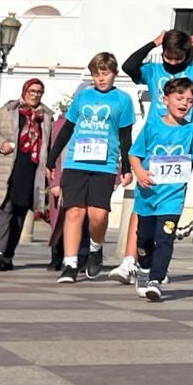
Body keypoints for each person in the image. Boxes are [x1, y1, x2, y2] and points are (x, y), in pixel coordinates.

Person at [108, 29, 193, 286]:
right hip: (154, 141)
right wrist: (154, 43)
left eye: (178, 57)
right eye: (168, 56)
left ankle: (155, 274)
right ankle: (133, 259)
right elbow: (130, 65)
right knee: (145, 208)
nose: (172, 62)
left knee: (167, 215)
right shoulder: (153, 70)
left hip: (184, 142)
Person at [47, 53, 135, 283]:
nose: (101, 79)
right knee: (74, 212)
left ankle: (96, 247)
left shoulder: (123, 100)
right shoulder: (83, 97)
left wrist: (127, 167)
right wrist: (51, 159)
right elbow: (67, 129)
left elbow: (126, 136)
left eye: (105, 74)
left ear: (114, 74)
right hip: (76, 161)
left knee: (98, 215)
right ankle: (70, 263)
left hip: (105, 165)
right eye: (96, 74)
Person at [127, 77, 193, 301]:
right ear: (165, 100)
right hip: (148, 194)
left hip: (173, 196)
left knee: (165, 237)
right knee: (144, 239)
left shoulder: (192, 130)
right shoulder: (152, 126)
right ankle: (143, 269)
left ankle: (156, 279)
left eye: (190, 100)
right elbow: (134, 154)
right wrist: (139, 172)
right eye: (179, 98)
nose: (184, 104)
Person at [0, 78, 54, 271]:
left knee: (20, 213)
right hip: (8, 168)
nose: (35, 94)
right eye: (32, 91)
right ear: (24, 91)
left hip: (31, 171)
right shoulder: (8, 111)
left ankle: (8, 254)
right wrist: (0, 143)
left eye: (39, 91)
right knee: (4, 210)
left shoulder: (46, 116)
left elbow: (51, 143)